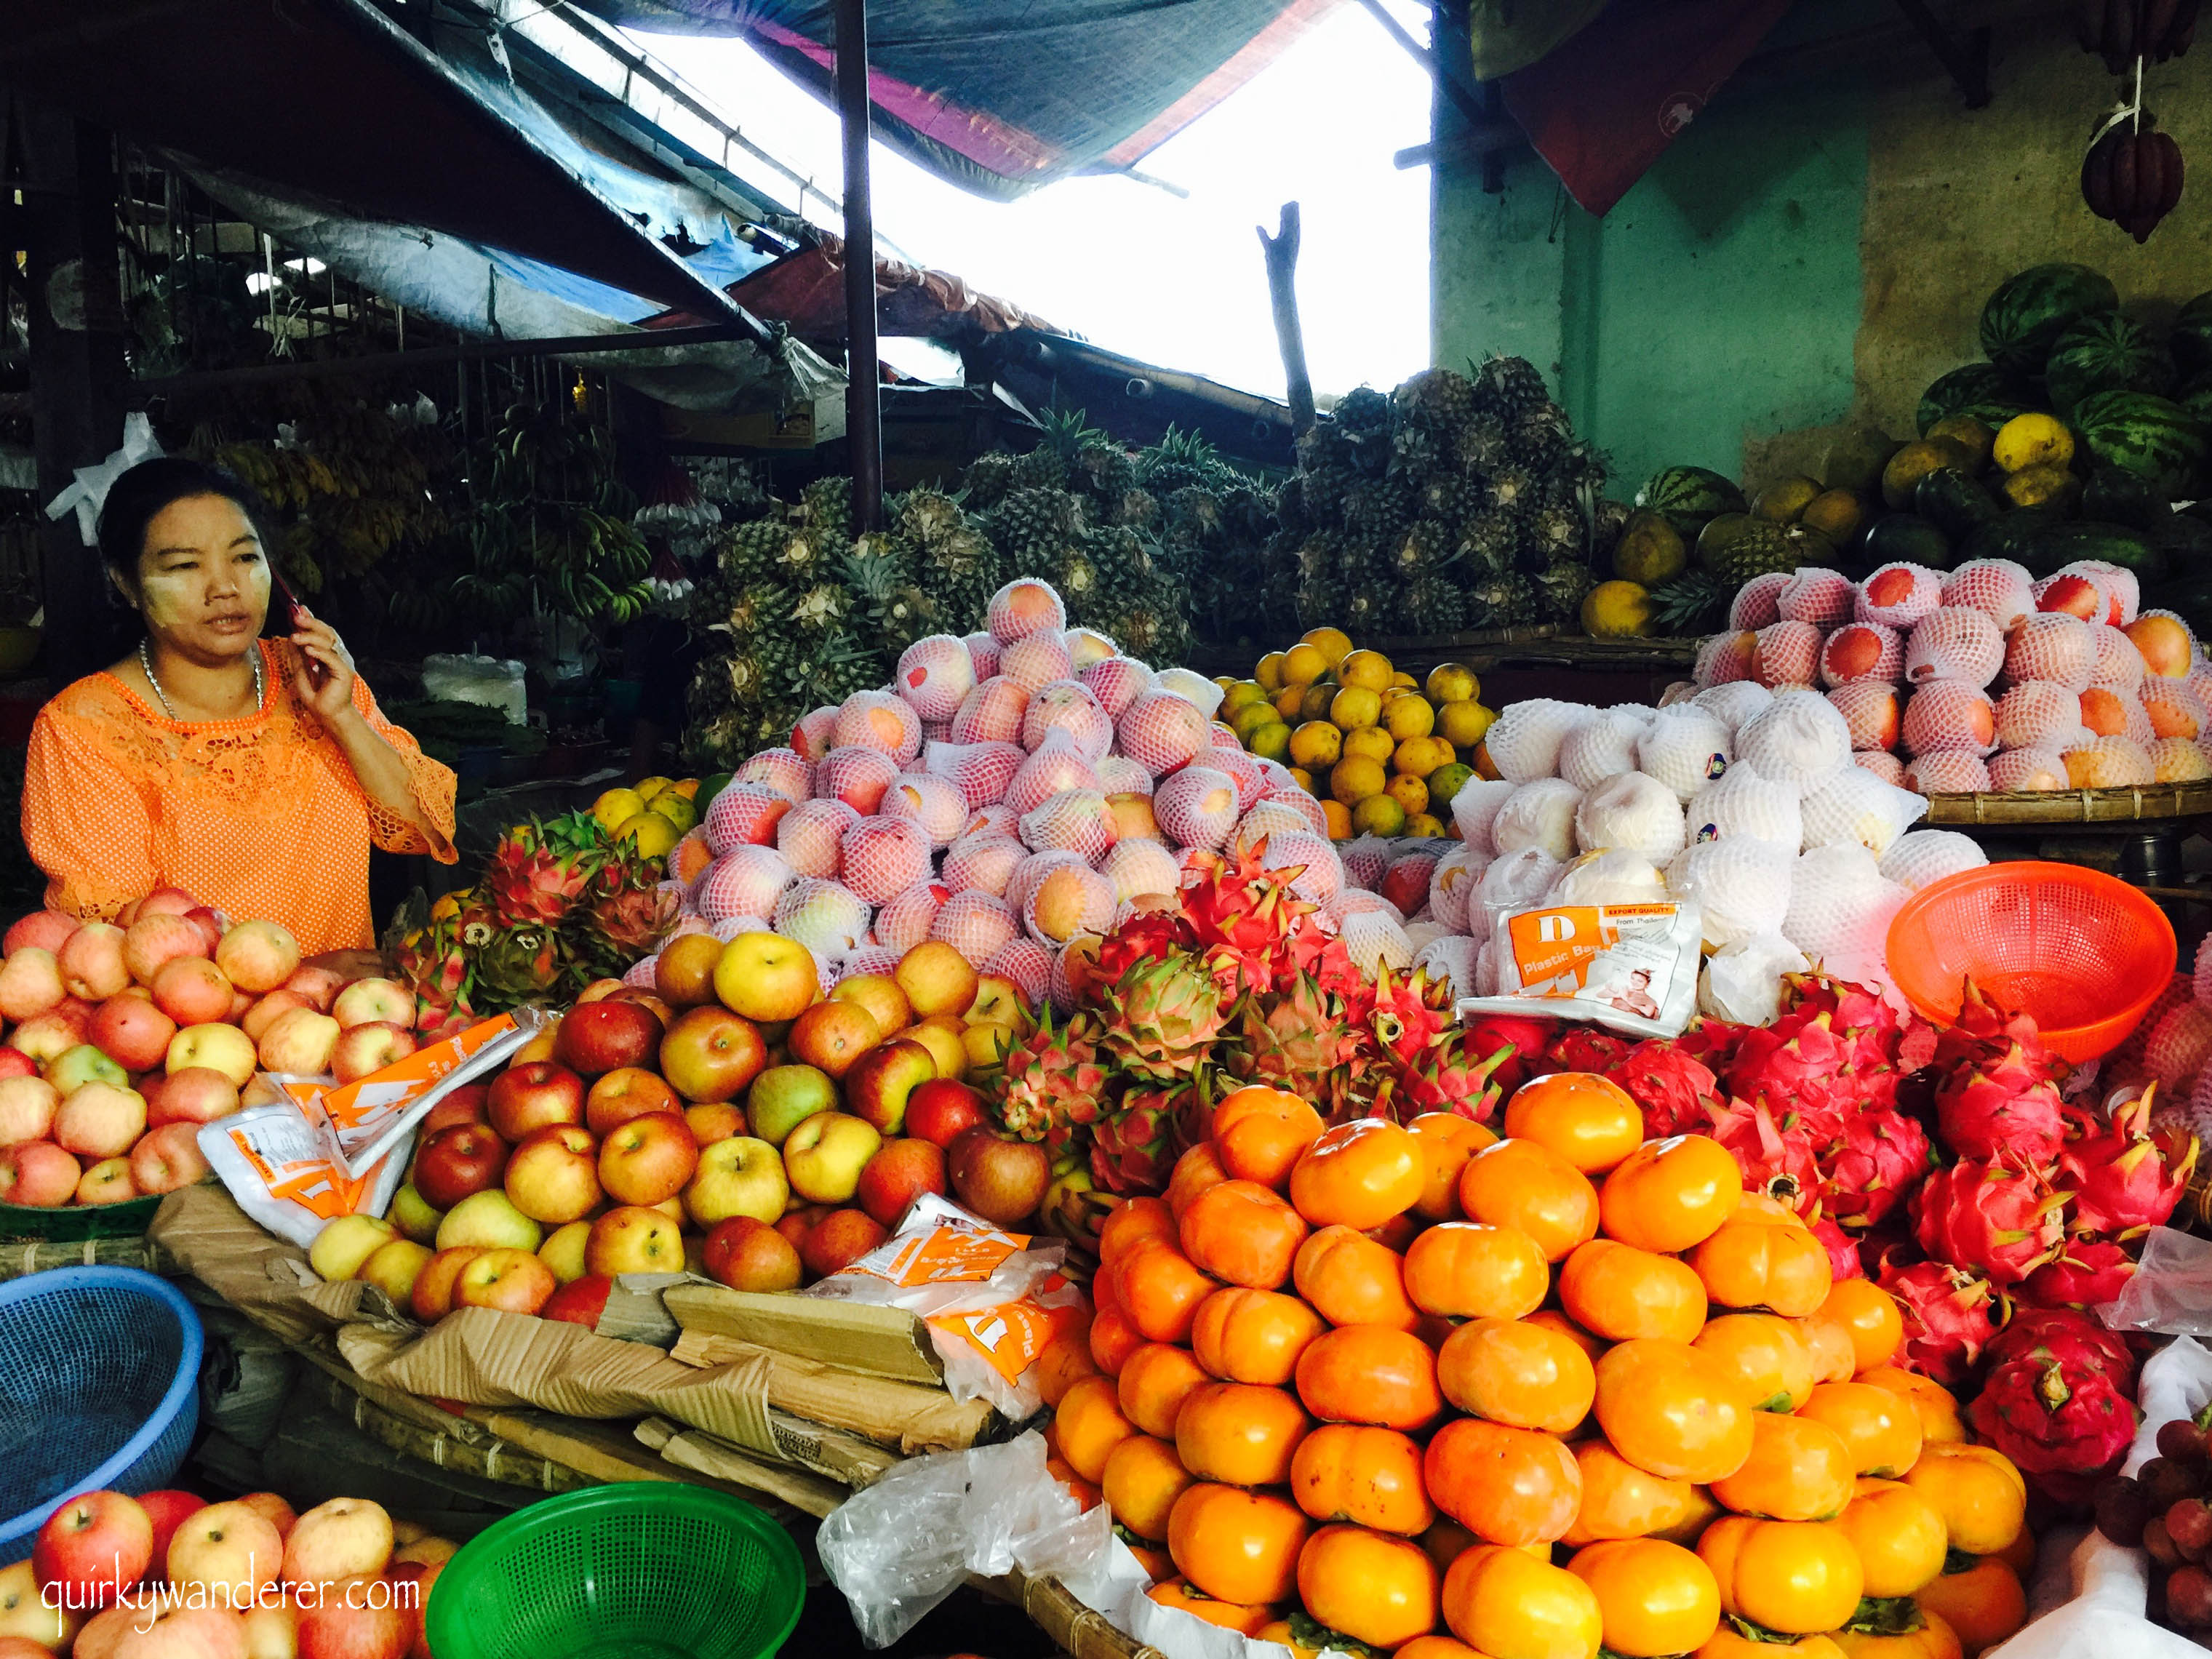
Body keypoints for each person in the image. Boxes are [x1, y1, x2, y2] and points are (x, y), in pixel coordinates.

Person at [22, 457, 457, 954]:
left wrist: (342, 716)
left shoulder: (315, 676)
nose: (225, 587)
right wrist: (306, 978)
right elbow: (116, 947)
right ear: (127, 584)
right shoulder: (83, 727)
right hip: (203, 1028)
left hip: (356, 1018)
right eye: (185, 566)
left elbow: (424, 830)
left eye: (245, 558)